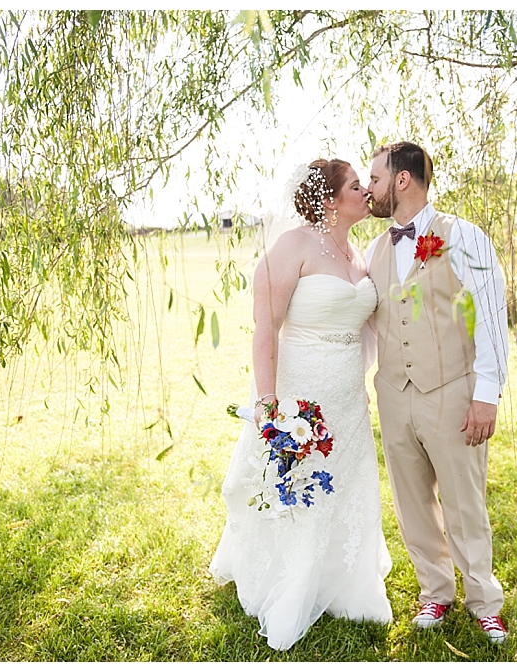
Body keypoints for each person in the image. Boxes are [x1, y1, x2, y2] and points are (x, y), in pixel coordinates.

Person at [210, 159, 393, 651]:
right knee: (299, 485)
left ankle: (346, 581)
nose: (365, 192)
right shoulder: (294, 245)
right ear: (331, 200)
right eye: (357, 185)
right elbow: (266, 327)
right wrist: (269, 405)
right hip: (299, 394)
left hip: (348, 398)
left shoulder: (358, 255)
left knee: (345, 484)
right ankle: (289, 578)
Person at [363, 141, 510, 644]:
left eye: (376, 179)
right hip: (393, 393)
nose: (370, 190)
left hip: (451, 389)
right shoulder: (374, 250)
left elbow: (490, 317)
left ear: (403, 180)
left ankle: (485, 601)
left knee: (463, 501)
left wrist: (486, 394)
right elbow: (366, 328)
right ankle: (435, 591)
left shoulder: (464, 237)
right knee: (411, 503)